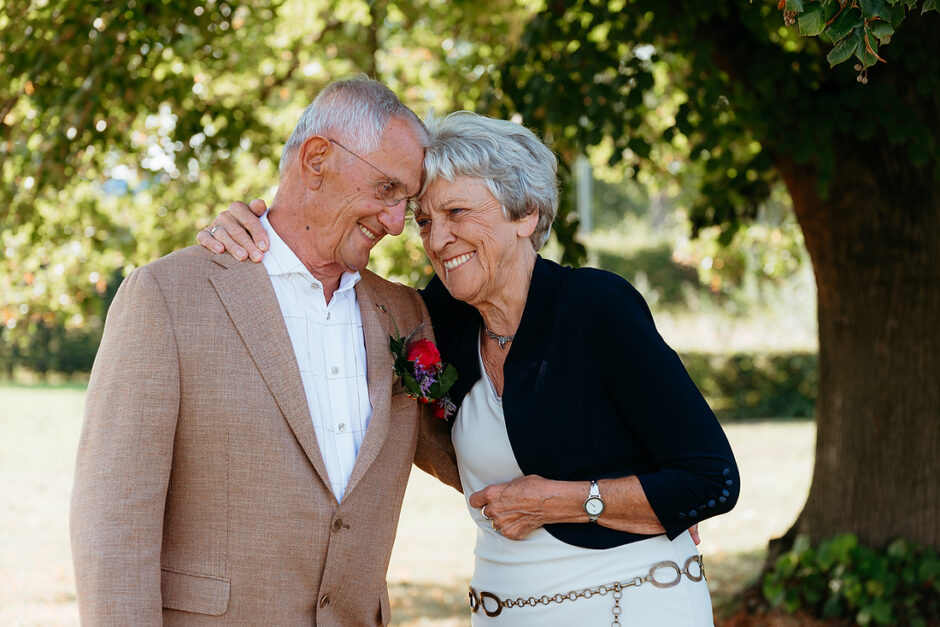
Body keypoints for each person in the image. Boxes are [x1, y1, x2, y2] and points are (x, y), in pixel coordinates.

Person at [202, 111, 740, 625]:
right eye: (426, 221)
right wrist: (260, 229)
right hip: (504, 610)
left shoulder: (596, 309)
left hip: (632, 606)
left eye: (458, 214)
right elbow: (325, 279)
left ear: (525, 213)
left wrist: (567, 501)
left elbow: (712, 479)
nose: (438, 240)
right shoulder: (437, 319)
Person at [70, 77, 460, 625]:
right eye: (387, 190)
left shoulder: (405, 315)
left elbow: (469, 453)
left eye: (407, 201)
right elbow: (114, 528)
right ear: (317, 158)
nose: (398, 223)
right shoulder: (168, 297)